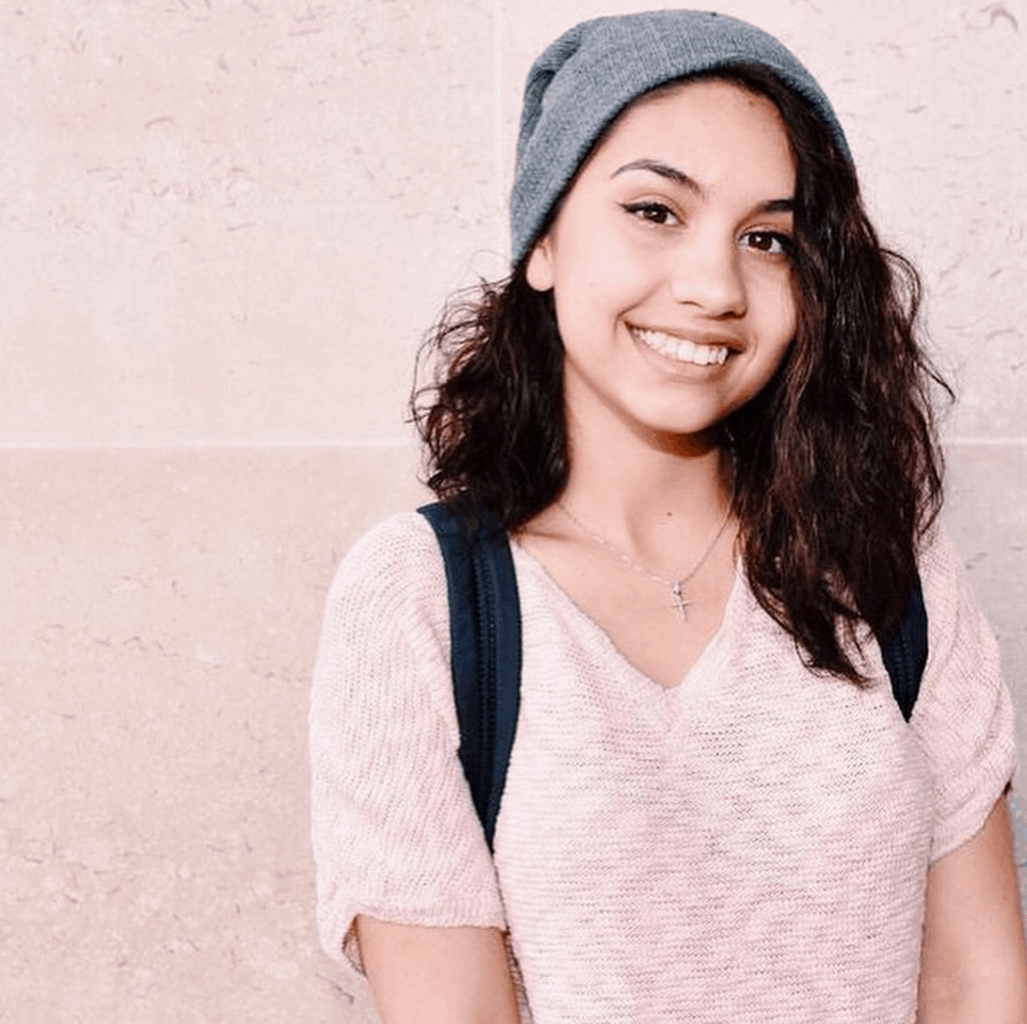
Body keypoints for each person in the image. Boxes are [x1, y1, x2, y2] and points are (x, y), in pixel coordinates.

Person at [309, 10, 1027, 1022]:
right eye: (654, 211)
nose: (712, 285)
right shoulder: (424, 601)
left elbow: (975, 985)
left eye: (765, 238)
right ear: (544, 239)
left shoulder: (887, 565)